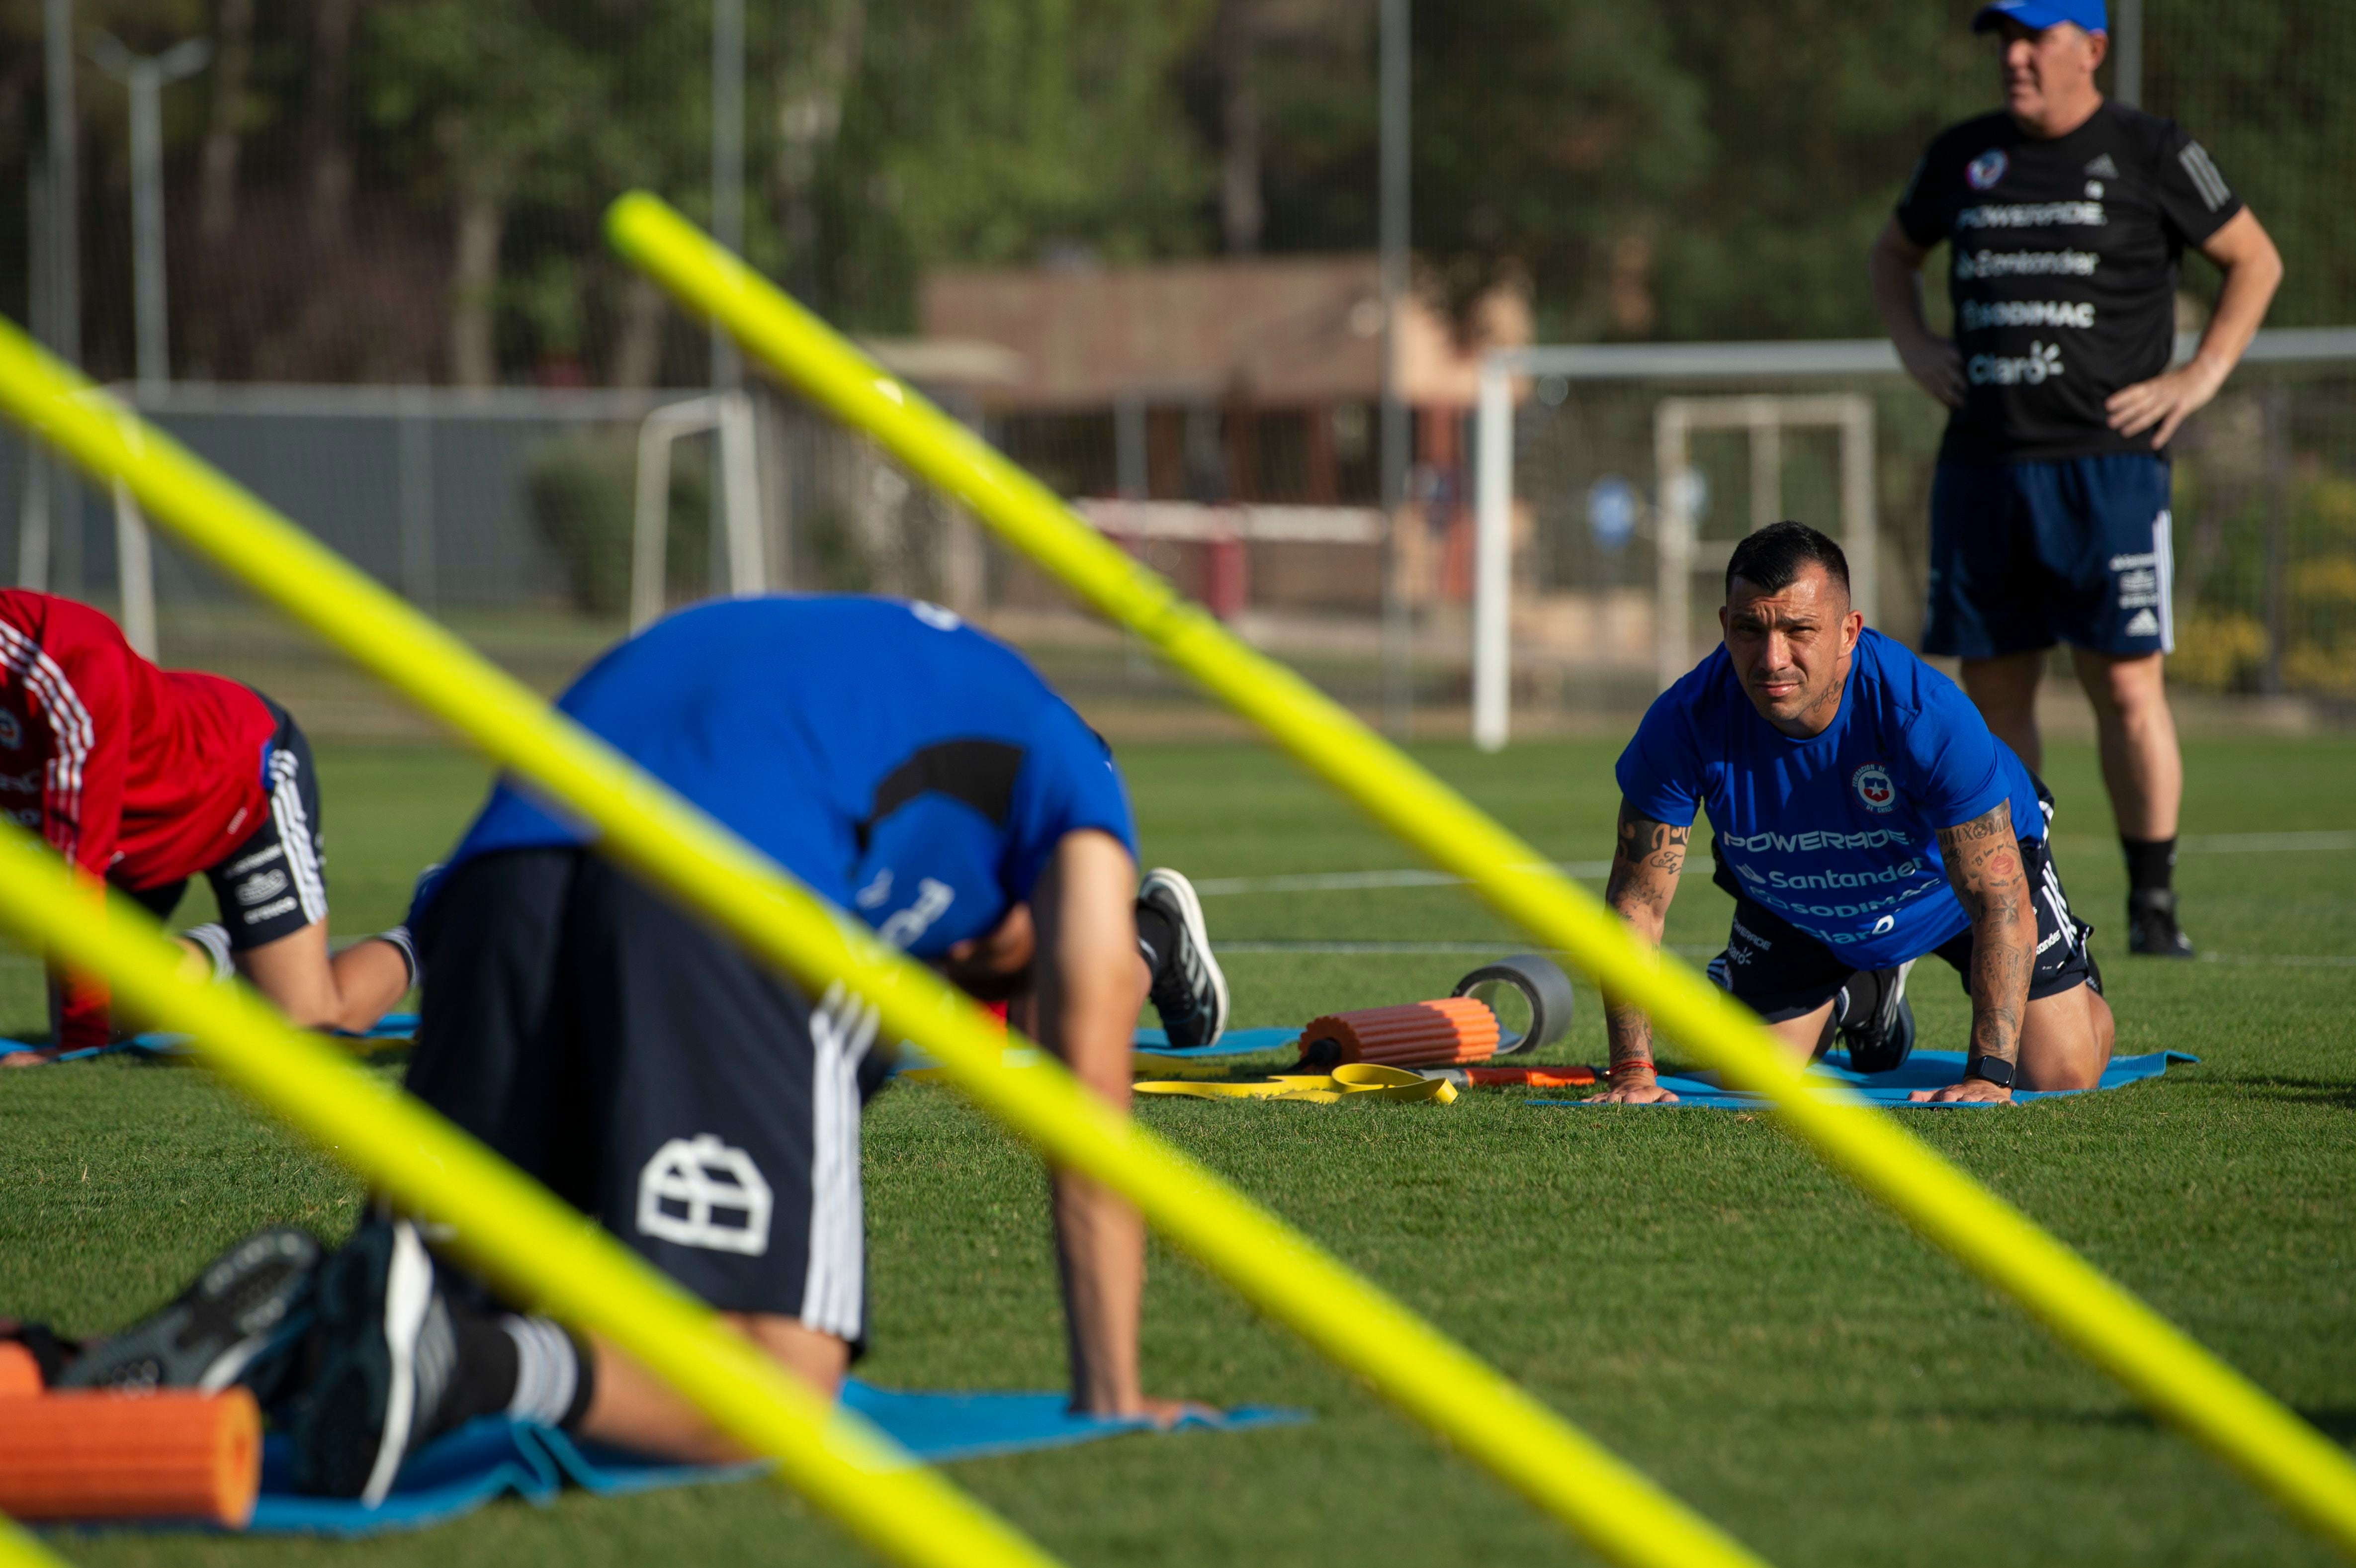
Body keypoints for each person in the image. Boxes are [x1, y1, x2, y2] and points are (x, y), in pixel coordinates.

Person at [55, 595, 1226, 1505]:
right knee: (772, 1382)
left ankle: (121, 1361)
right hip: (727, 876)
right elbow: (1089, 1099)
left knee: (429, 1281)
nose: (966, 970)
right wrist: (1111, 1393)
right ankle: (469, 1371)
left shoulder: (907, 682)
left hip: (498, 873)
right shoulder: (1077, 788)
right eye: (986, 968)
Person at [1866, 0, 2282, 958]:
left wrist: (2199, 375)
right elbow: (1892, 256)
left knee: (2125, 689)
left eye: (2033, 37)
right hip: (1982, 466)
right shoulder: (1960, 154)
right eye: (2001, 40)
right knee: (1992, 694)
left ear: (2090, 49)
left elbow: (2252, 260)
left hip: (2107, 472)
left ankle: (2152, 903)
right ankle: (2020, 879)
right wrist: (1914, 343)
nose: (2011, 57)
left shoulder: (2149, 148)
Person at [1594, 523, 2114, 1107]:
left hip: (1947, 893)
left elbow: (1998, 901)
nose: (1772, 659)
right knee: (1747, 1076)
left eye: (1799, 631)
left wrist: (1989, 1076)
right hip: (1796, 899)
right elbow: (1634, 906)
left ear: (1848, 632)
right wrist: (1632, 1072)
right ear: (1723, 626)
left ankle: (2067, 976)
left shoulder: (1925, 715)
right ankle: (1862, 996)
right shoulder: (1682, 721)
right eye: (1749, 629)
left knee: (2063, 1071)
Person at [0, 590, 414, 1064]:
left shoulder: (66, 664)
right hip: (122, 847)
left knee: (313, 1021)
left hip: (237, 788)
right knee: (115, 1017)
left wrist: (77, 1046)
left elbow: (70, 879)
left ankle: (432, 922)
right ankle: (222, 947)